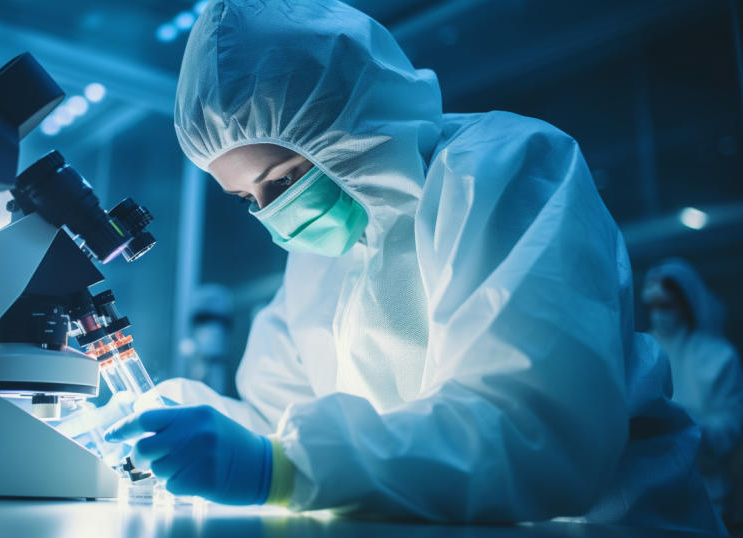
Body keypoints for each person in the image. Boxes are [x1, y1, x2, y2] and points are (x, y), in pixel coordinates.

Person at [104, 0, 722, 532]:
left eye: (284, 179)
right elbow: (280, 424)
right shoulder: (322, 258)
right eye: (248, 199)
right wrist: (175, 413)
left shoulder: (503, 171)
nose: (274, 214)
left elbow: (533, 432)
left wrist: (281, 469)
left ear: (347, 124)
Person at [643, 258, 743, 516]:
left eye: (666, 305)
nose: (658, 313)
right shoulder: (640, 351)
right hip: (645, 491)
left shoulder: (719, 357)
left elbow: (729, 428)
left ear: (686, 304)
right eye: (652, 306)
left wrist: (683, 424)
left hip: (704, 491)